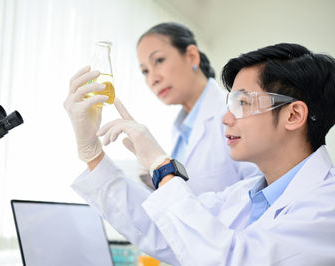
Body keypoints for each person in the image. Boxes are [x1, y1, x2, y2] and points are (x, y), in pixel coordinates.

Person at [64, 43, 335, 265]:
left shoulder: (325, 207)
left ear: (293, 115)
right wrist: (92, 153)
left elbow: (233, 260)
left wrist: (162, 168)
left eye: (243, 102)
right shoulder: (243, 196)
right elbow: (168, 230)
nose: (225, 118)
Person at [134, 22, 259, 192]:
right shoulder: (180, 129)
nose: (152, 79)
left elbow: (259, 192)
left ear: (192, 56)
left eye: (159, 60)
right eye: (145, 71)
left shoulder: (235, 112)